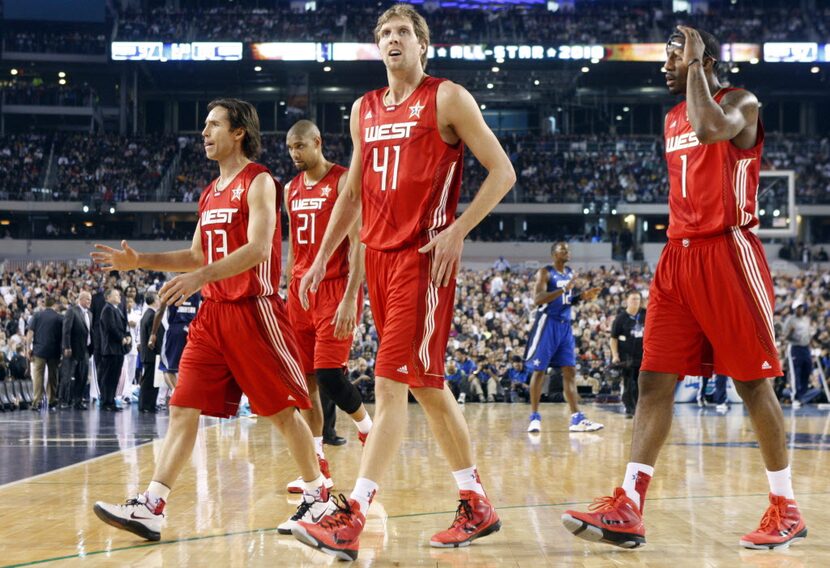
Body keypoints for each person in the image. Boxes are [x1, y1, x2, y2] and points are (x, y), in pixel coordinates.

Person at [562, 26, 807, 551]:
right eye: (668, 57)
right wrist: (691, 67)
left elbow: (712, 127)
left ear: (702, 58)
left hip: (729, 252)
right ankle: (629, 501)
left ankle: (785, 506)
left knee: (751, 383)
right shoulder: (672, 116)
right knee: (653, 380)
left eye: (673, 55)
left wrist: (695, 64)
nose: (665, 65)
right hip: (678, 257)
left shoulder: (739, 101)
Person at [291, 4, 516, 560]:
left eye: (402, 33)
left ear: (422, 45)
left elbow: (503, 170)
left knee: (390, 386)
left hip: (424, 259)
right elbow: (352, 193)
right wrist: (322, 257)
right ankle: (476, 501)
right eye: (384, 33)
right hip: (380, 259)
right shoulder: (363, 109)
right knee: (427, 387)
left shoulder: (447, 99)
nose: (392, 40)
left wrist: (459, 229)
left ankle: (354, 514)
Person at [90, 98, 331, 541]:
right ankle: (152, 505)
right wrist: (140, 259)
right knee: (182, 408)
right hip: (212, 315)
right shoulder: (209, 192)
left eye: (214, 124)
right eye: (204, 124)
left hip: (253, 310)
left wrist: (201, 275)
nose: (204, 132)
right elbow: (197, 254)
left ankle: (319, 499)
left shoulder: (259, 181)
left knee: (281, 411)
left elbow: (260, 249)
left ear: (238, 132)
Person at [282, 119, 374, 493]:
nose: (295, 155)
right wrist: (286, 285)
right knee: (304, 384)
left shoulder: (342, 181)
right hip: (299, 292)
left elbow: (361, 242)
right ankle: (318, 469)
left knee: (329, 374)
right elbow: (293, 246)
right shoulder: (289, 189)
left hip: (336, 289)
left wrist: (352, 295)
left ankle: (368, 429)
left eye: (301, 147)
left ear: (318, 142)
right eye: (290, 149)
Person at [524, 242, 602, 433]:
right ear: (554, 254)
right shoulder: (545, 272)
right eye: (563, 250)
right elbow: (538, 299)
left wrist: (581, 296)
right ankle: (534, 417)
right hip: (547, 323)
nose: (568, 252)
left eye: (568, 249)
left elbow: (566, 299)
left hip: (565, 326)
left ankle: (577, 418)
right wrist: (564, 290)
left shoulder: (568, 272)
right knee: (540, 371)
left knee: (570, 371)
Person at [151, 292, 201, 391]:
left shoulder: (172, 287)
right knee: (192, 368)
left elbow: (160, 311)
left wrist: (153, 333)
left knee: (167, 368)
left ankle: (176, 395)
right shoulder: (198, 288)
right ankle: (189, 396)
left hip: (176, 329)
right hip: (193, 331)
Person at [610, 291, 645, 418]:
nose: (635, 301)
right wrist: (615, 355)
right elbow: (613, 339)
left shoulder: (645, 315)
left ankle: (640, 408)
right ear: (627, 301)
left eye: (637, 299)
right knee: (629, 383)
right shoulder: (620, 318)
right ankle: (630, 408)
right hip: (626, 357)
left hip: (643, 356)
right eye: (633, 299)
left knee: (641, 383)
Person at [26, 296, 63, 411]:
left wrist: (28, 348)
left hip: (39, 351)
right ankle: (52, 400)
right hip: (54, 351)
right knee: (53, 376)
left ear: (44, 304)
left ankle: (36, 401)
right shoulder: (59, 317)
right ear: (54, 305)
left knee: (38, 377)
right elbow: (63, 336)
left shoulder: (37, 315)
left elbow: (30, 333)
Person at [99, 288, 130, 411]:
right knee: (108, 376)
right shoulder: (107, 309)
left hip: (118, 349)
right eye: (116, 295)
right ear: (108, 297)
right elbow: (111, 327)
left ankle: (111, 401)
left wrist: (127, 336)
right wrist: (121, 338)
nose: (119, 297)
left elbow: (123, 326)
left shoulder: (116, 309)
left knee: (115, 376)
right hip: (111, 348)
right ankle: (106, 402)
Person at [61, 291, 93, 410]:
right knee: (67, 376)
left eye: (90, 299)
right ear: (81, 299)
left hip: (85, 349)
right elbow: (66, 330)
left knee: (83, 376)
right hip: (72, 349)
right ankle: (64, 401)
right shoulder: (72, 311)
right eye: (88, 299)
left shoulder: (89, 314)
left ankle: (78, 401)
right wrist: (67, 346)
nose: (90, 302)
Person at [782, 302, 816, 409]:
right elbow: (784, 336)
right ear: (794, 309)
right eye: (798, 308)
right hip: (795, 348)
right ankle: (795, 398)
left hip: (806, 348)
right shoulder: (790, 320)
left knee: (807, 370)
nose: (800, 309)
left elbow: (808, 334)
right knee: (796, 372)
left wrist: (812, 347)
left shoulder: (806, 320)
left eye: (801, 307)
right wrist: (790, 333)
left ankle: (802, 395)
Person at [139, 292, 161, 413]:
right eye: (158, 299)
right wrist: (161, 351)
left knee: (151, 381)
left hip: (149, 354)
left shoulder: (148, 314)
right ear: (153, 300)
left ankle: (149, 404)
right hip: (151, 354)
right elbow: (155, 336)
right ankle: (145, 405)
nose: (160, 301)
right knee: (148, 382)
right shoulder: (152, 315)